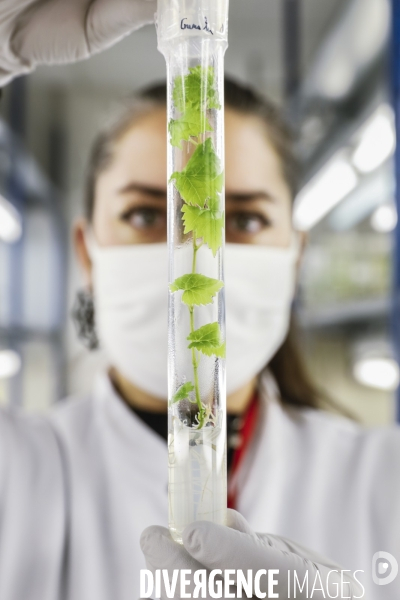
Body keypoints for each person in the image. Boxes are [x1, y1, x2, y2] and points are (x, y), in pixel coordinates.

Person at [0, 3, 399, 600]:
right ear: (87, 250)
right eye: (143, 214)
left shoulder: (382, 477)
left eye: (243, 217)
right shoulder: (18, 471)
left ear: (295, 252)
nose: (192, 244)